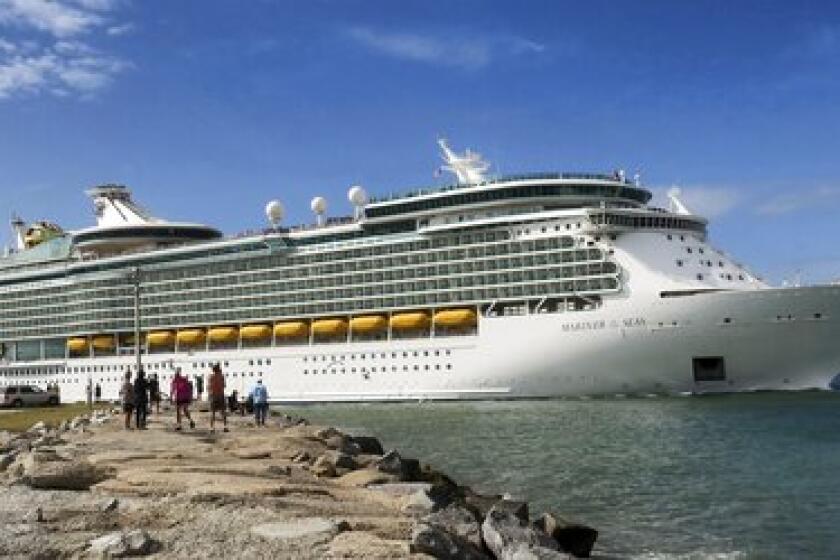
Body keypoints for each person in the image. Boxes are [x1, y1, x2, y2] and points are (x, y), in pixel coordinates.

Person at [207, 364, 228, 433]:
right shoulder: (221, 376)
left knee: (212, 412)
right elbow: (224, 385)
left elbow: (209, 387)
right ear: (219, 369)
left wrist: (209, 395)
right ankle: (225, 427)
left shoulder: (211, 377)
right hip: (221, 395)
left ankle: (212, 428)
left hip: (213, 395)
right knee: (223, 412)